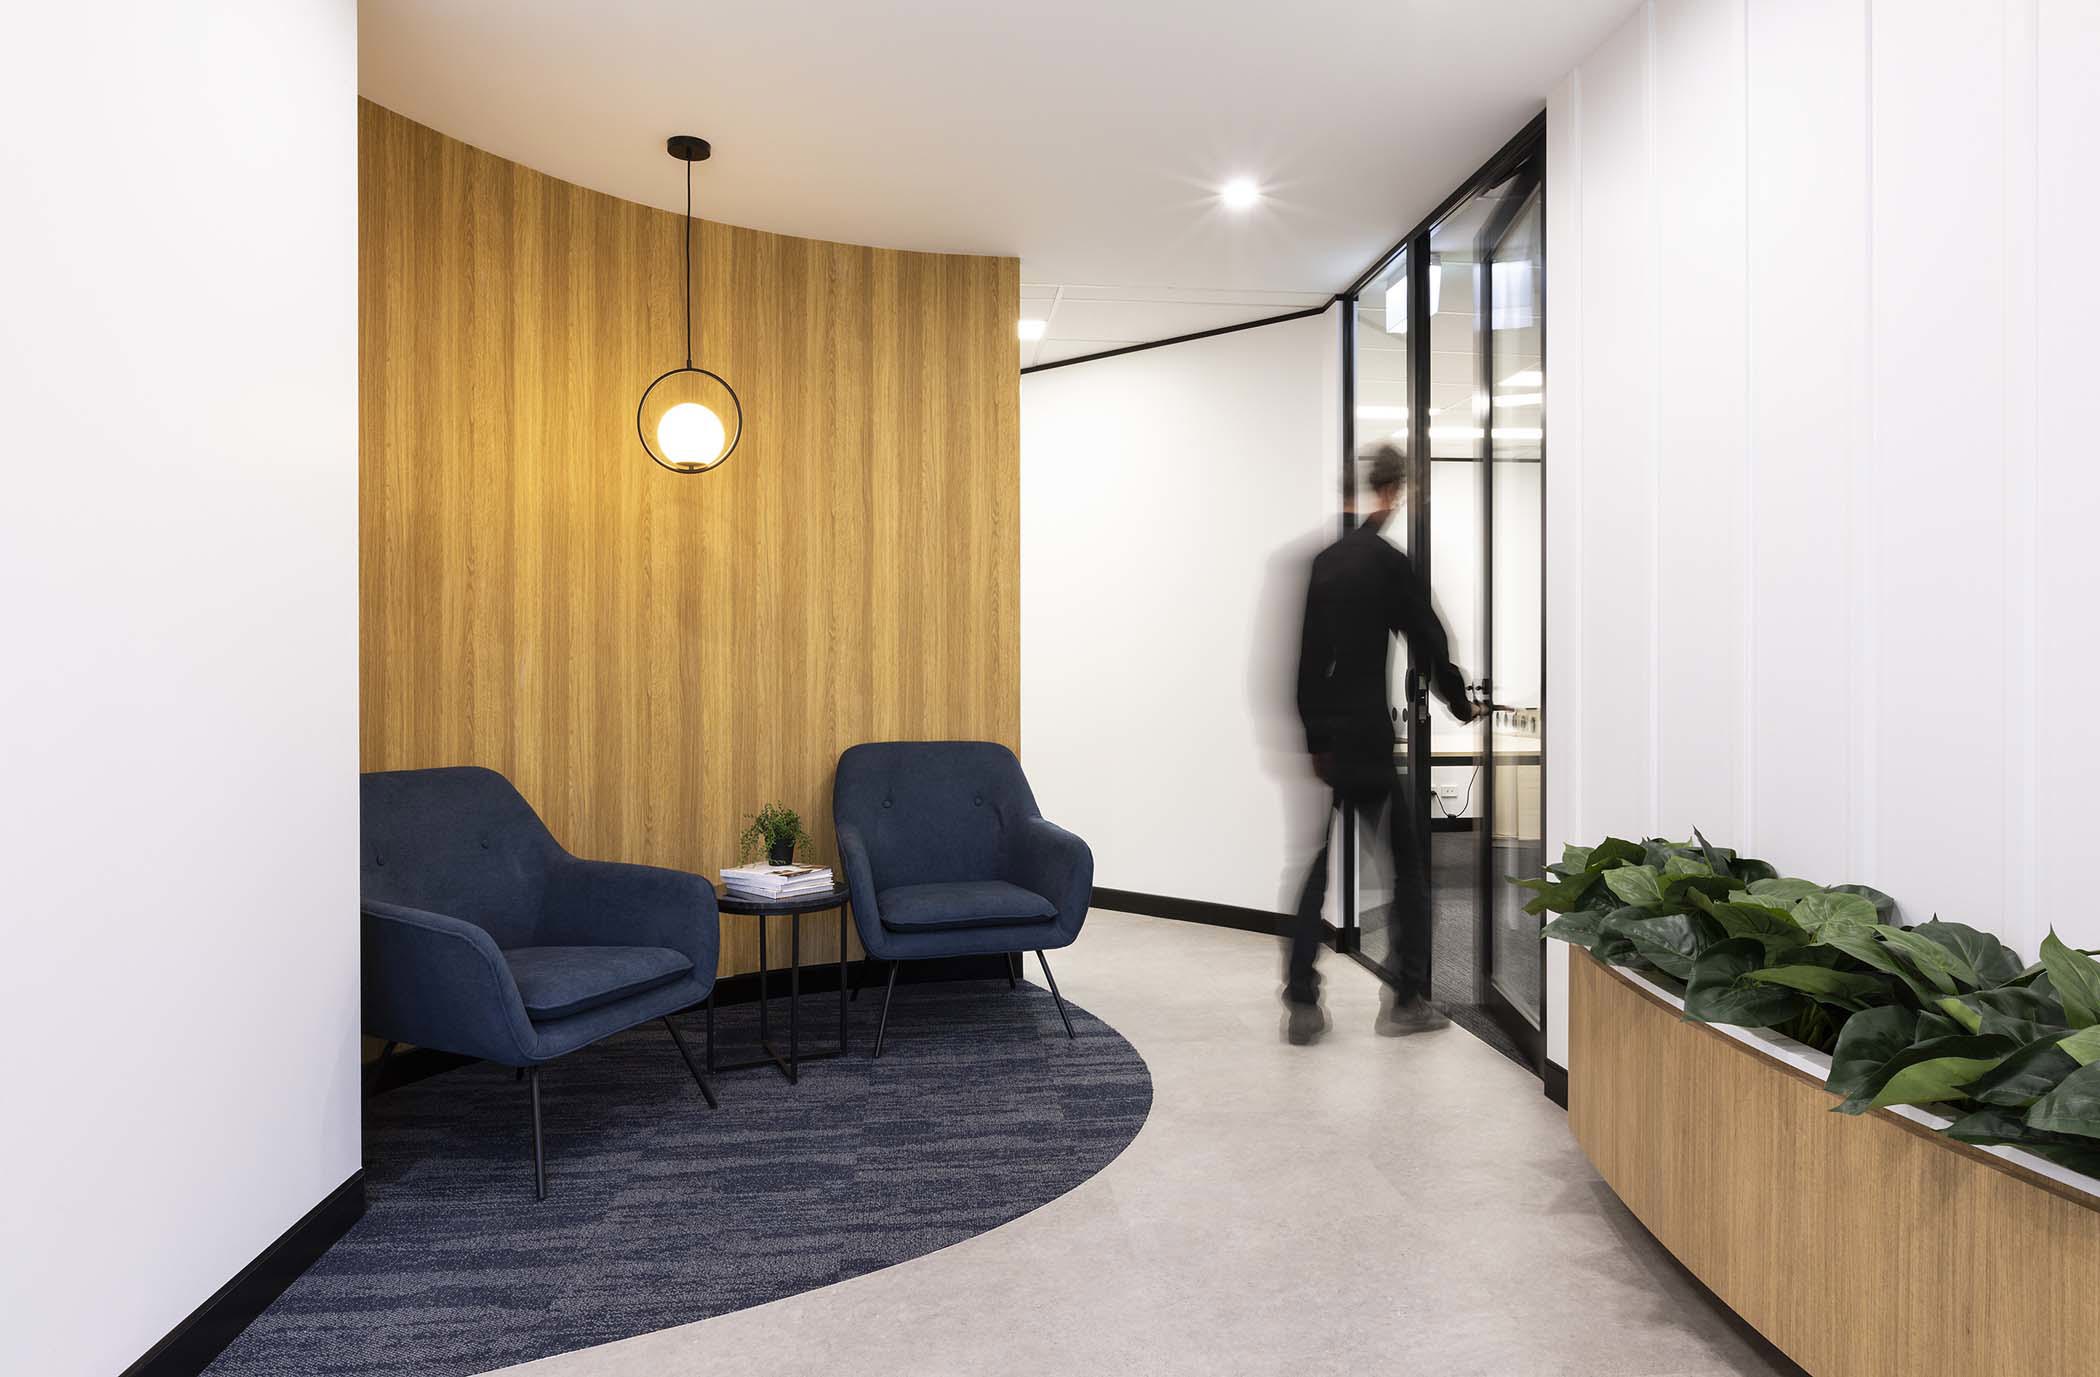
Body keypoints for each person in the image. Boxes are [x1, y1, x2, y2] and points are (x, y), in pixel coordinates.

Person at [1285, 443, 1478, 1045]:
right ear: (1391, 492)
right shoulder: (1387, 564)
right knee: (1408, 869)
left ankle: (1301, 1001)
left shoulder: (1322, 563)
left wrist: (1314, 739)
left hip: (1329, 745)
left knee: (1315, 868)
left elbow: (1305, 663)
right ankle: (1406, 999)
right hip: (1368, 739)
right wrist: (1460, 702)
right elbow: (1428, 641)